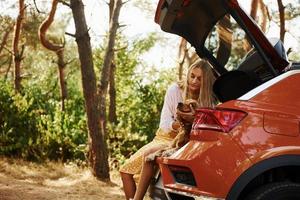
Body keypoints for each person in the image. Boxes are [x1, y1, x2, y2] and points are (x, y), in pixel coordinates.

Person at [119, 59, 217, 200]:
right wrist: (181, 123)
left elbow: (206, 128)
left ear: (206, 81)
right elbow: (164, 123)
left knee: (149, 154)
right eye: (192, 76)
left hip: (184, 139)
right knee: (125, 171)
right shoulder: (175, 90)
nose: (194, 81)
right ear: (188, 74)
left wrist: (190, 123)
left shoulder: (209, 100)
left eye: (199, 79)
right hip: (164, 137)